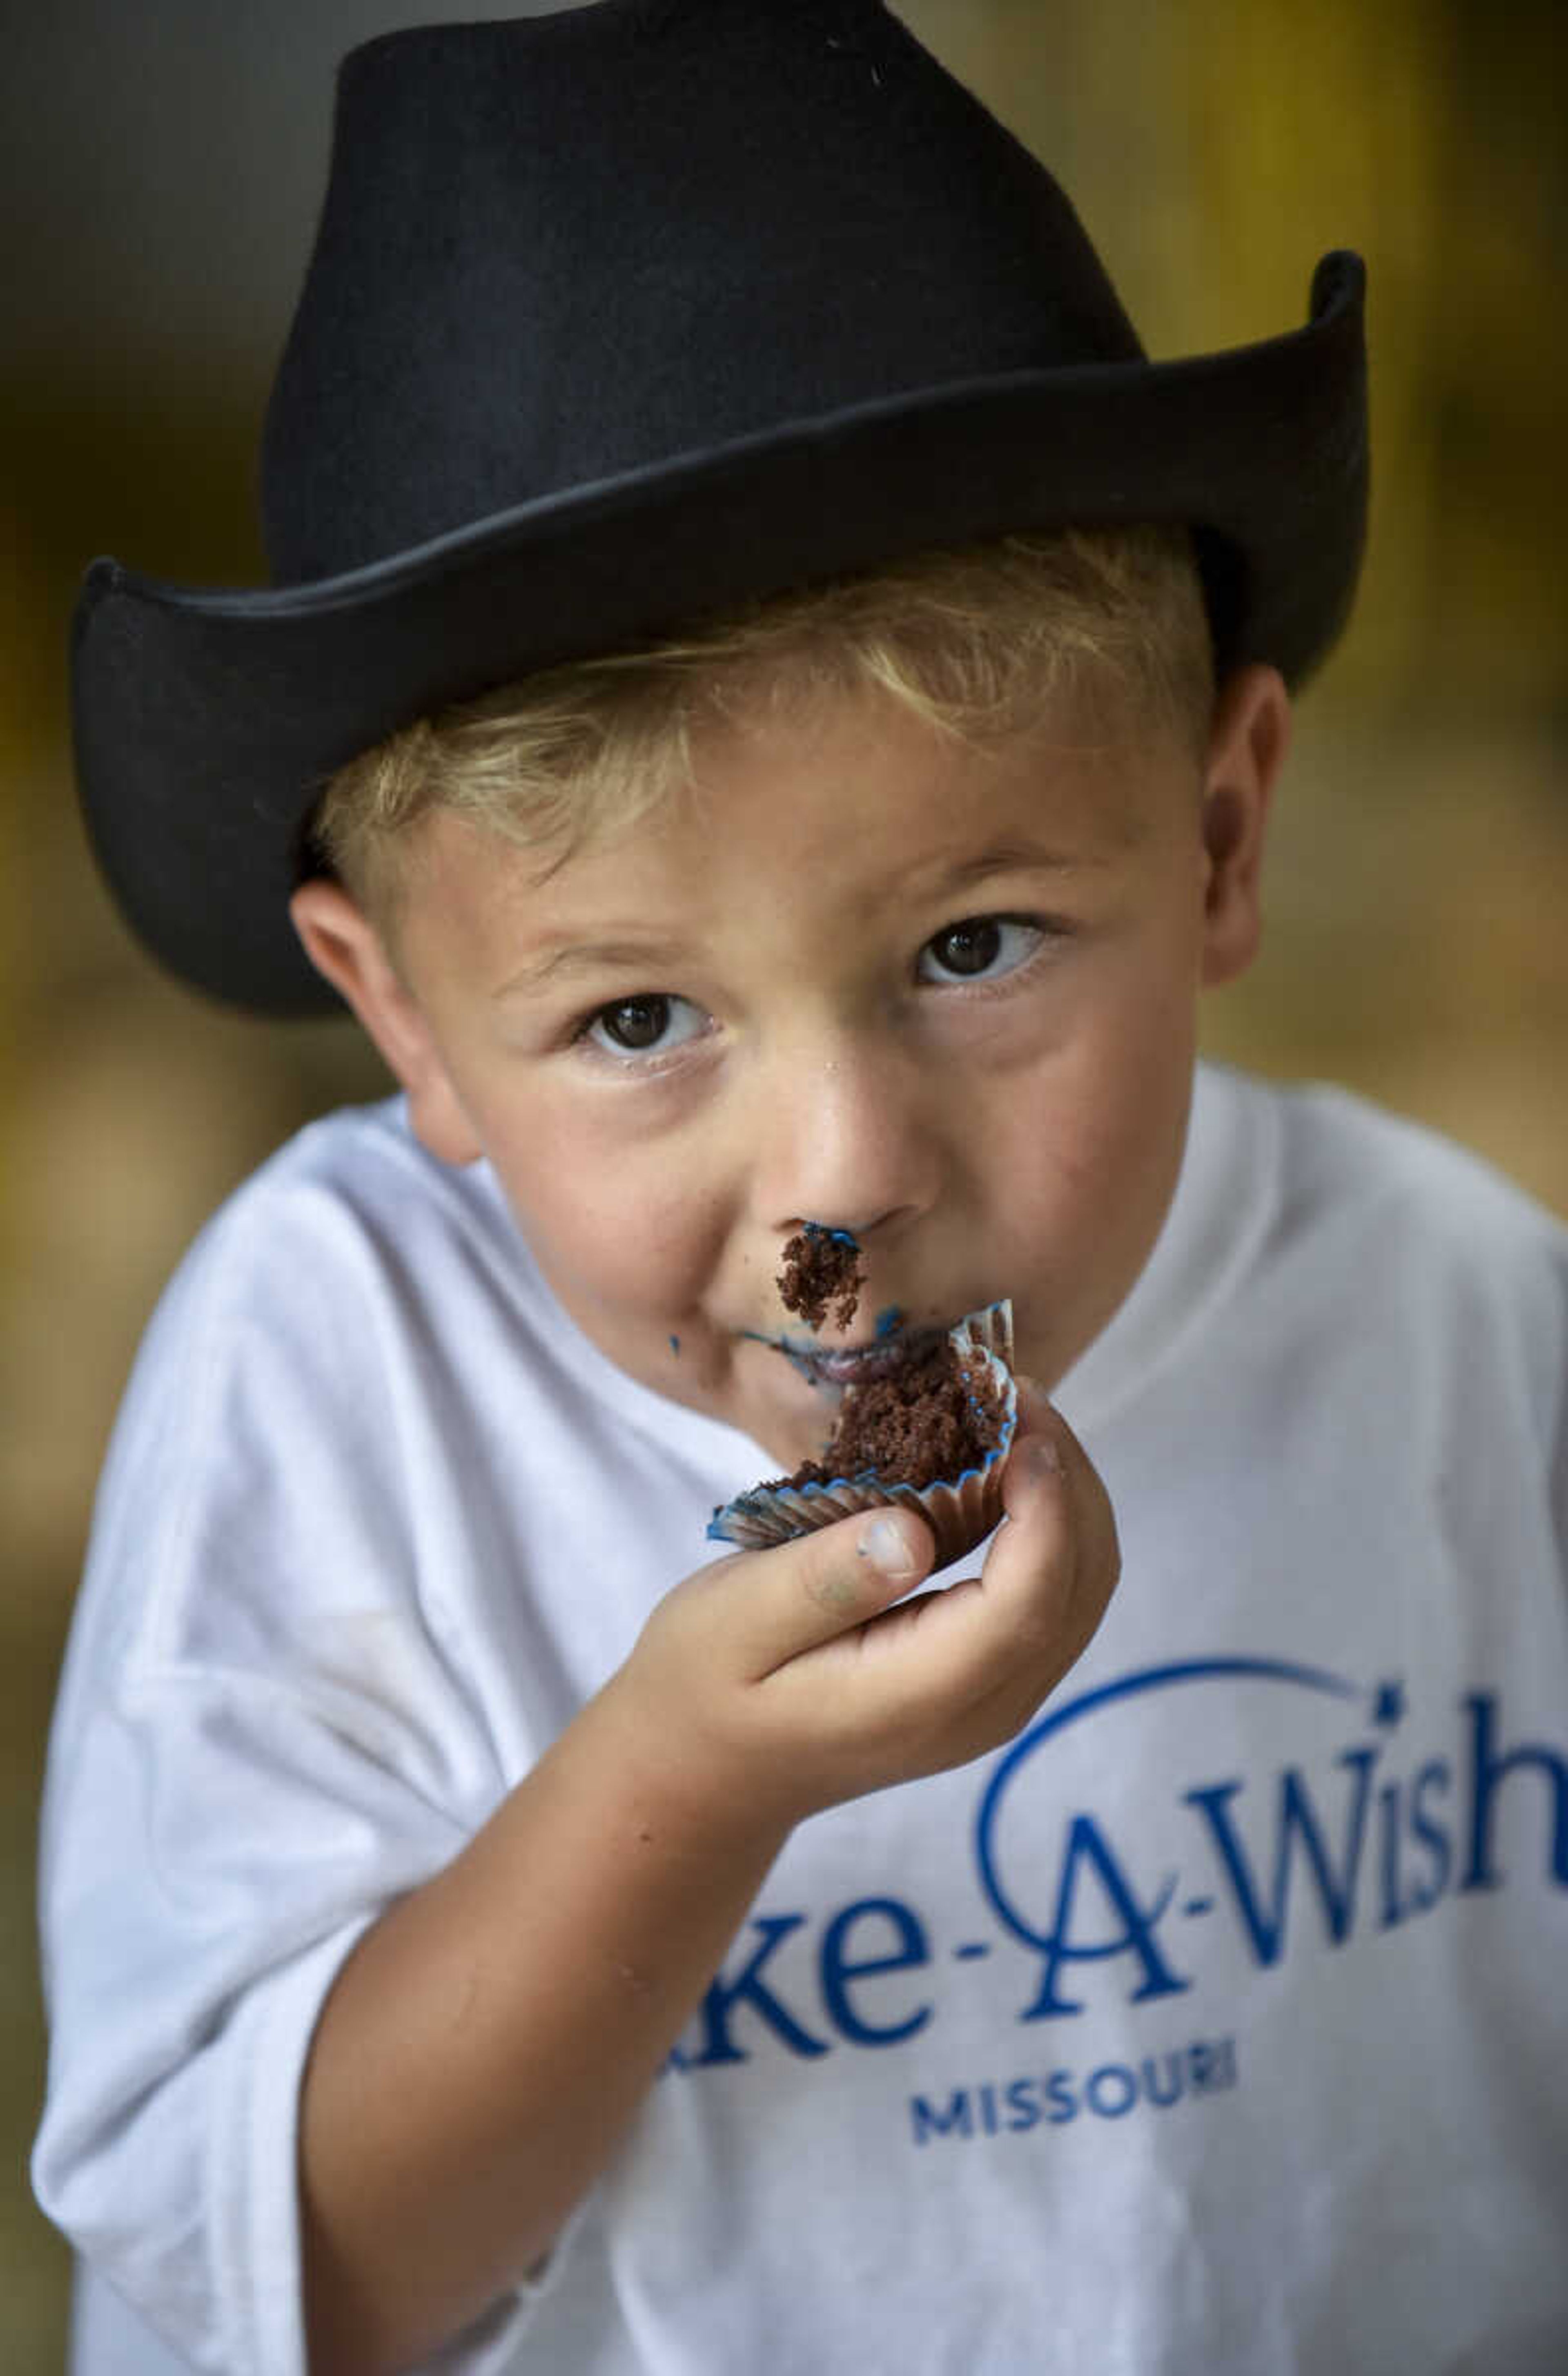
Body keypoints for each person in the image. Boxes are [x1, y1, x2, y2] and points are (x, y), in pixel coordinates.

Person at [33, 3, 1568, 2372]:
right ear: (413, 1022)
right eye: (639, 1020)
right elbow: (289, 2278)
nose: (843, 1180)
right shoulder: (337, 1370)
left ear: (1223, 834)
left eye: (975, 946)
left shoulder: (1458, 1314)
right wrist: (687, 1783)